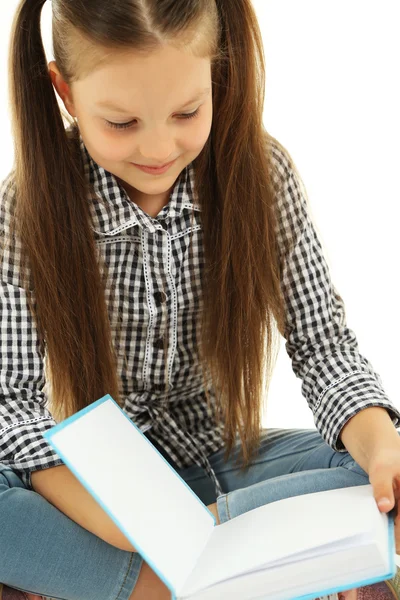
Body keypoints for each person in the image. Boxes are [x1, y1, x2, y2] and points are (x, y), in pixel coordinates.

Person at [0, 0, 399, 599]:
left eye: (187, 111)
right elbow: (14, 407)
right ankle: (183, 581)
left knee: (372, 469)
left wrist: (384, 453)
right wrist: (136, 529)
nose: (158, 147)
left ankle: (179, 563)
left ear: (216, 73)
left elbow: (324, 349)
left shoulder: (262, 176)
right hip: (98, 501)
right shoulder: (25, 206)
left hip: (225, 462)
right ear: (64, 91)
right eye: (120, 123)